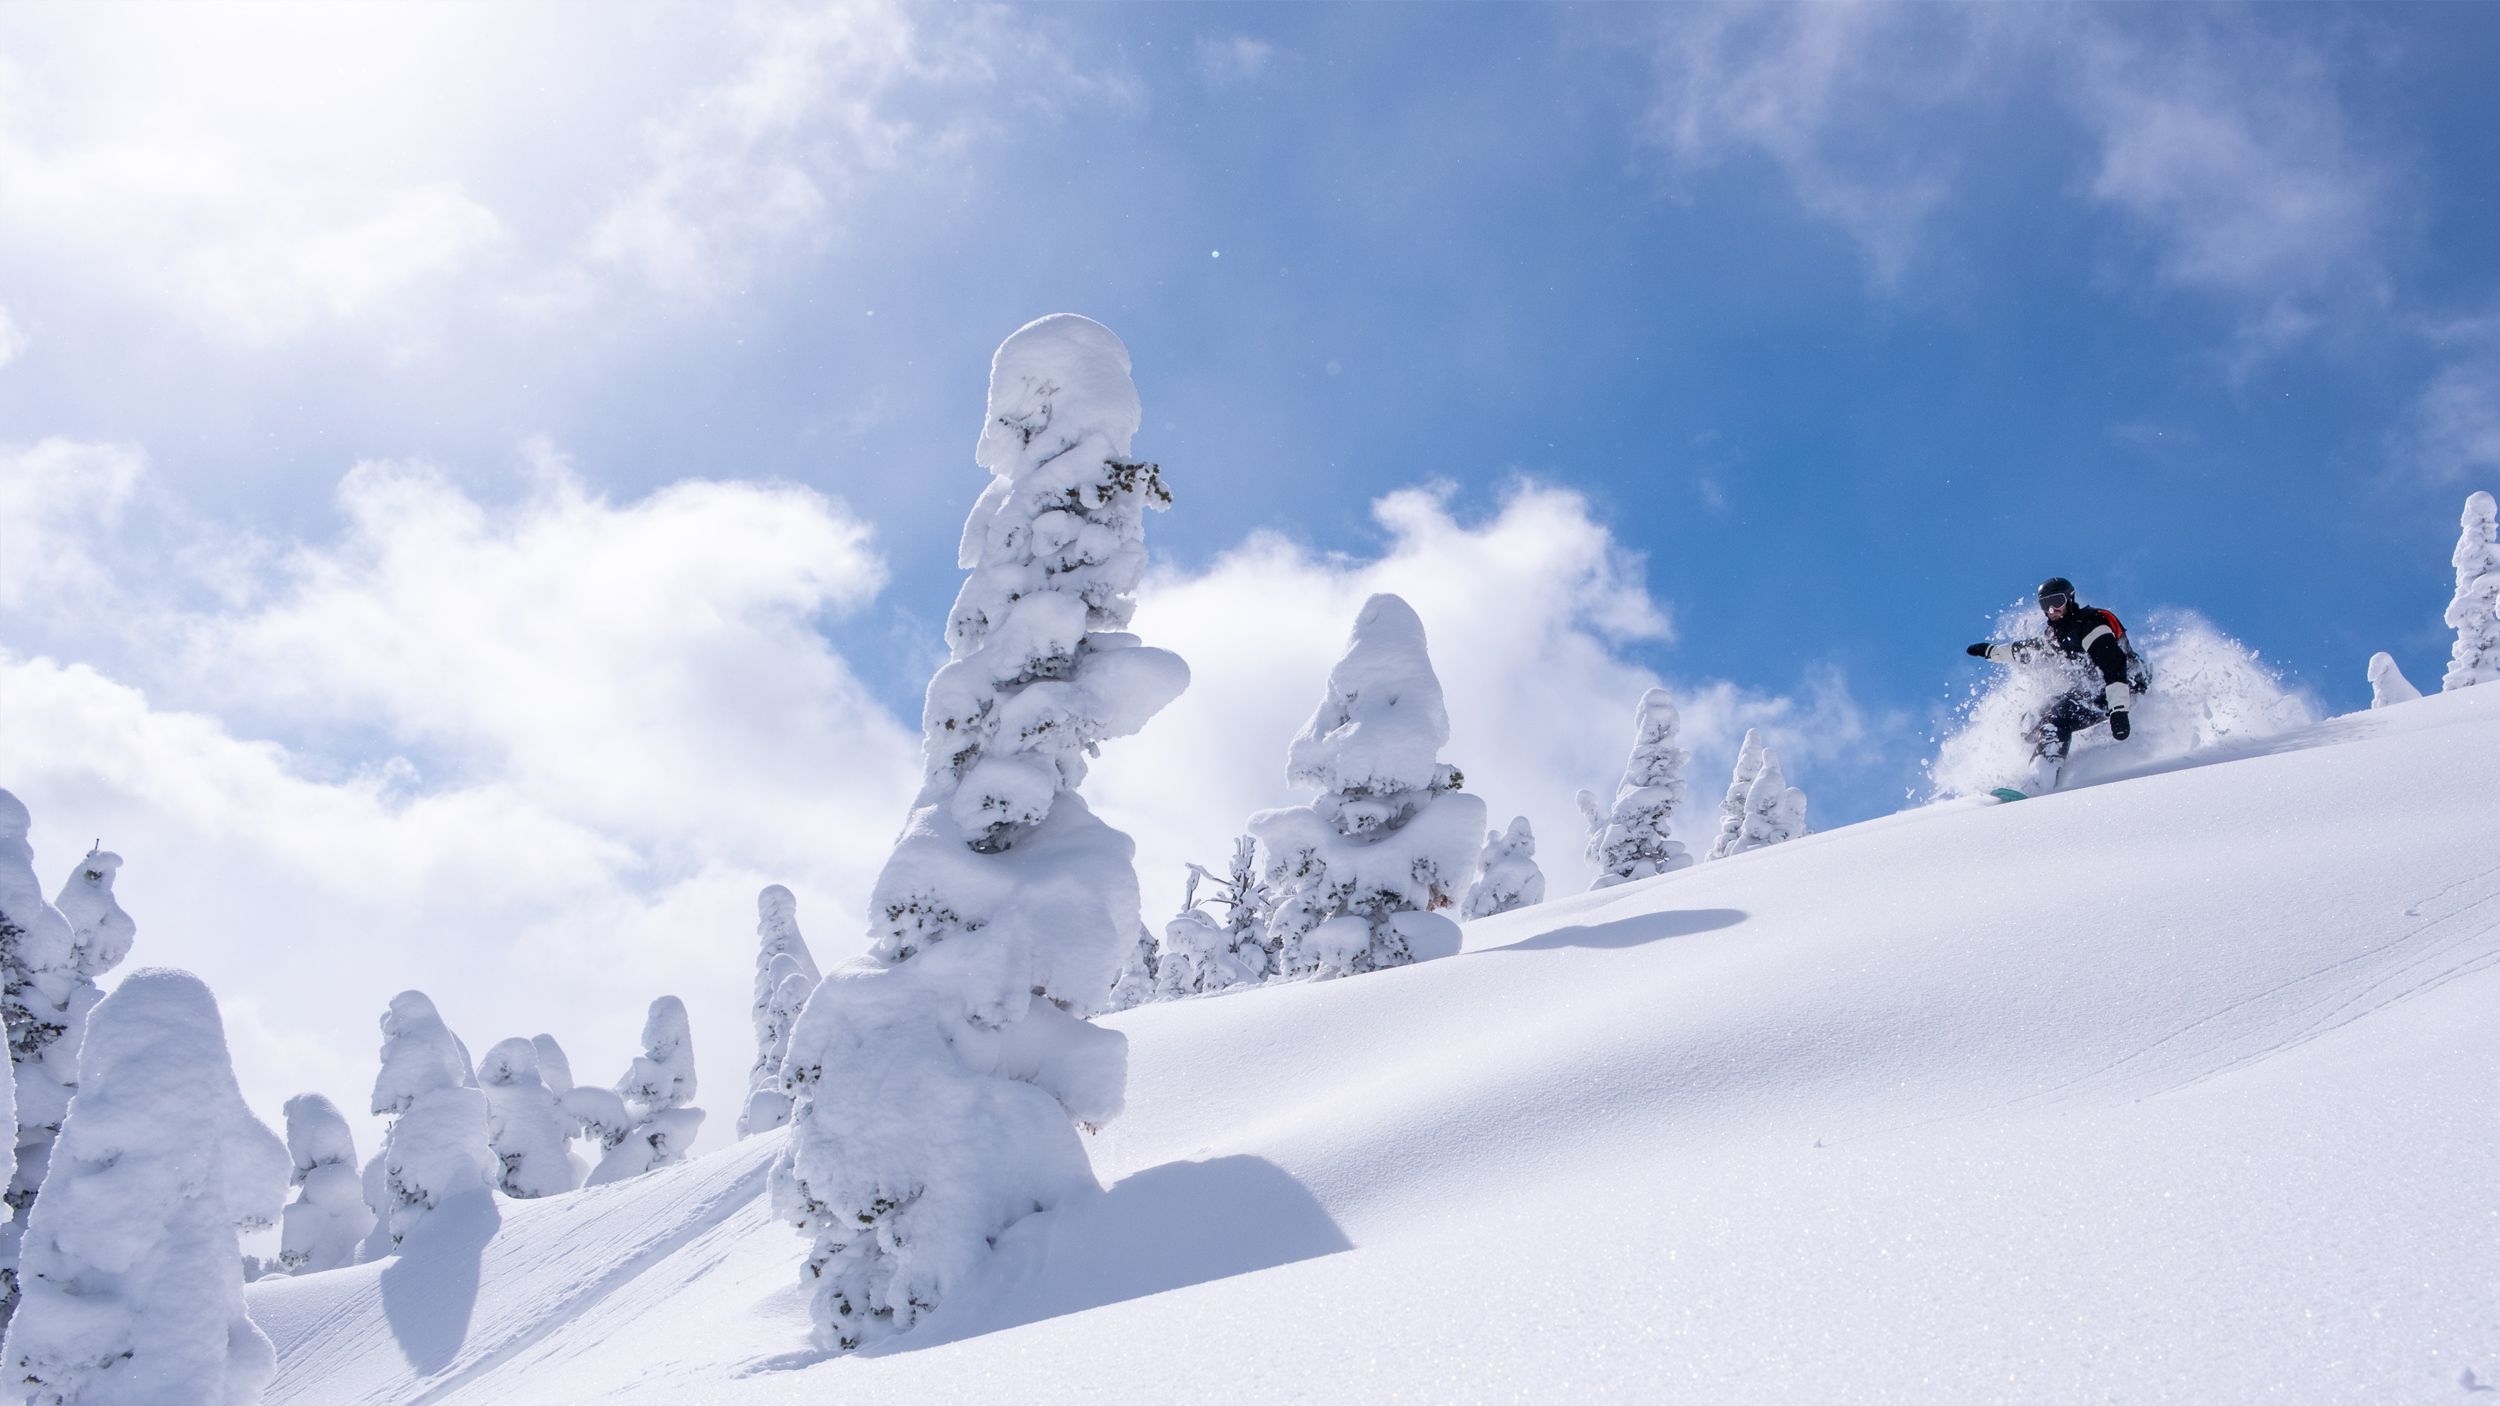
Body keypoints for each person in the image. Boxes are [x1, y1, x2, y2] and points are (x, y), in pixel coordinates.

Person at [1965, 577, 2152, 775]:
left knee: (2057, 719)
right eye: (2046, 604)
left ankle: (2042, 776)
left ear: (2070, 599)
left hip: (2125, 685)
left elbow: (2114, 665)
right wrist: (1992, 651)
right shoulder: (2057, 634)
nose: (2052, 609)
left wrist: (2119, 709)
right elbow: (2030, 650)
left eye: (2057, 601)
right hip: (2094, 689)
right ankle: (2036, 767)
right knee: (2033, 721)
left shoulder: (2091, 625)